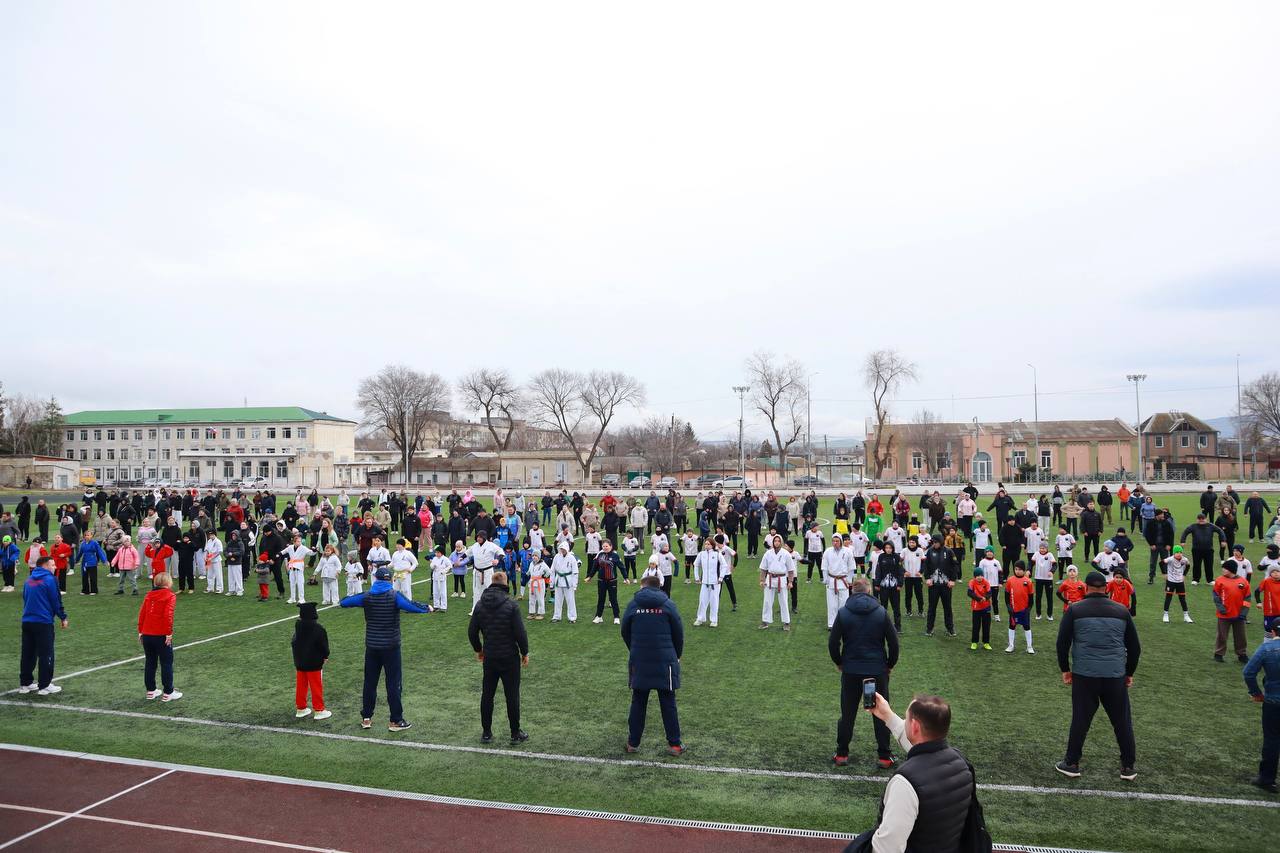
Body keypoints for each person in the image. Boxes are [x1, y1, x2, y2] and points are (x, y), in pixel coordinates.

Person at [848, 693, 980, 853]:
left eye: (907, 719)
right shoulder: (961, 763)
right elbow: (924, 748)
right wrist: (888, 716)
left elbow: (887, 848)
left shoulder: (905, 783)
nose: (904, 722)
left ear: (915, 726)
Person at [1055, 570, 1141, 781]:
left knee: (1080, 720)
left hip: (1085, 675)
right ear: (1106, 588)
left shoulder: (1075, 609)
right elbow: (1135, 648)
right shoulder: (1121, 610)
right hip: (1115, 675)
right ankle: (1128, 766)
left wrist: (1065, 670)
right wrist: (1129, 673)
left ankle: (1071, 763)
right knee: (1122, 721)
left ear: (1086, 588)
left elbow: (1062, 643)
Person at [340, 565, 432, 732]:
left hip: (372, 647)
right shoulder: (394, 595)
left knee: (369, 683)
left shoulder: (367, 596)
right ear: (390, 580)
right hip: (391, 647)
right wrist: (427, 608)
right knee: (393, 684)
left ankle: (366, 718)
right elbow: (411, 606)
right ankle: (395, 720)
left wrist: (354, 597)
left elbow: (345, 602)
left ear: (376, 579)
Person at [829, 577, 900, 768]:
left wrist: (839, 662)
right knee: (880, 713)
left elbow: (833, 642)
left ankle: (842, 754)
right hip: (875, 672)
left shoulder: (844, 612)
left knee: (848, 713)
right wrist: (889, 664)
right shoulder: (881, 612)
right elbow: (894, 643)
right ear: (869, 592)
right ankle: (884, 756)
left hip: (851, 672)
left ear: (852, 591)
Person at [621, 573, 684, 755]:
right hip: (665, 660)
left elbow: (625, 630)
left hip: (640, 659)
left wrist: (634, 649)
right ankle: (675, 745)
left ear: (643, 586)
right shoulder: (668, 604)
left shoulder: (633, 604)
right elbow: (678, 633)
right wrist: (676, 655)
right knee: (668, 702)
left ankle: (633, 743)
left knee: (638, 701)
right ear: (659, 587)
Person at [467, 569, 530, 743]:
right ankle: (515, 733)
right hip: (509, 657)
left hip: (490, 656)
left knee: (487, 695)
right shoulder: (511, 605)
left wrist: (479, 650)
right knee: (512, 696)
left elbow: (472, 632)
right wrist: (524, 652)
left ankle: (486, 733)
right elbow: (520, 633)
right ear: (505, 584)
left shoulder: (480, 604)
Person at [17, 556, 68, 696]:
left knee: (28, 653)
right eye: (53, 565)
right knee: (46, 653)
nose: (55, 567)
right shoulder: (51, 579)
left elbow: (25, 597)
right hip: (43, 622)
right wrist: (63, 617)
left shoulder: (29, 579)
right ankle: (44, 686)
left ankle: (25, 684)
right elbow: (56, 600)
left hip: (27, 621)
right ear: (45, 566)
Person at [1243, 619, 1280, 793]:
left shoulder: (1267, 648)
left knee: (1272, 740)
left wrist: (1256, 693)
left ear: (1272, 632)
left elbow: (1248, 673)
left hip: (1273, 701)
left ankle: (1267, 779)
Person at [137, 572, 181, 702]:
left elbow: (142, 614)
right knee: (166, 663)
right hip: (161, 634)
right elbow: (168, 615)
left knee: (150, 662)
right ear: (168, 582)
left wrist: (140, 631)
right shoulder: (170, 595)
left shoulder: (149, 595)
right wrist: (168, 633)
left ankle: (151, 690)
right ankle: (168, 692)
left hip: (147, 634)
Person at [290, 601, 331, 720]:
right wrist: (325, 656)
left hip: (299, 661)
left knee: (301, 685)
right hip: (314, 662)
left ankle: (301, 708)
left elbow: (293, 642)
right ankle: (319, 710)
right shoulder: (318, 628)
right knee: (316, 686)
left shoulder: (298, 626)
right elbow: (324, 645)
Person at [1213, 560, 1252, 664]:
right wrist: (1221, 608)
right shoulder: (1219, 580)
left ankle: (1242, 654)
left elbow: (1247, 598)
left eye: (1225, 568)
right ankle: (1219, 654)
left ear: (1231, 570)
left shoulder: (1243, 582)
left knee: (1241, 636)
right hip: (1224, 614)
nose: (1223, 570)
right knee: (1222, 635)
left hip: (1239, 615)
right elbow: (1216, 596)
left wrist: (1244, 613)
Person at [923, 539, 959, 638]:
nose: (934, 544)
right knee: (932, 608)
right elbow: (926, 565)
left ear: (941, 542)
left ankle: (950, 628)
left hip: (946, 585)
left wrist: (952, 580)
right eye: (933, 542)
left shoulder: (949, 551)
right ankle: (929, 628)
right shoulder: (930, 551)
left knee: (947, 607)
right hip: (933, 585)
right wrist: (927, 578)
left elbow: (955, 565)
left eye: (936, 542)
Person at [691, 537, 729, 628]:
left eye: (708, 544)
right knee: (702, 601)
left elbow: (724, 565)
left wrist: (721, 578)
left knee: (714, 602)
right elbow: (696, 565)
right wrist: (697, 577)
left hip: (715, 583)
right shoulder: (701, 554)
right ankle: (700, 619)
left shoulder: (717, 554)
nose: (706, 545)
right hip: (704, 583)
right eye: (705, 544)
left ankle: (714, 620)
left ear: (712, 545)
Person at [759, 534, 794, 631]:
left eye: (778, 541)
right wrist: (762, 580)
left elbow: (791, 570)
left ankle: (786, 622)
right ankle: (765, 621)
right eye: (775, 541)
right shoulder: (768, 553)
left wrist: (790, 582)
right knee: (767, 601)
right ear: (773, 542)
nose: (777, 542)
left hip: (781, 579)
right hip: (770, 578)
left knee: (783, 601)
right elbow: (763, 568)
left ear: (781, 542)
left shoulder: (786, 554)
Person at [587, 539, 624, 625]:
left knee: (613, 599)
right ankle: (599, 616)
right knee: (601, 599)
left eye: (606, 546)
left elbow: (621, 567)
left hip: (612, 581)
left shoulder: (615, 555)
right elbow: (595, 567)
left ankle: (616, 617)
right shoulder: (600, 555)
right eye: (603, 546)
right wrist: (590, 576)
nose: (605, 548)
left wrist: (625, 578)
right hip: (601, 581)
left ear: (611, 546)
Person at [822, 533, 854, 628]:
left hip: (843, 580)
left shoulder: (848, 551)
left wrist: (849, 580)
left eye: (837, 541)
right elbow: (824, 566)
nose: (835, 543)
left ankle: (843, 623)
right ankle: (831, 624)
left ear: (841, 541)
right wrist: (826, 579)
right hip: (832, 580)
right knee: (832, 604)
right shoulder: (828, 551)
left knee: (843, 604)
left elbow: (851, 566)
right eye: (833, 541)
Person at [1004, 560, 1035, 654]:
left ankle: (1029, 646)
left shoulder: (1028, 581)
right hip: (1013, 610)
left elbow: (1031, 598)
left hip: (1024, 610)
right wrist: (1009, 607)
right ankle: (1011, 645)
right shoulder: (1010, 580)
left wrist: (1028, 609)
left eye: (1020, 569)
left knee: (1027, 627)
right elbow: (1006, 596)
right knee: (1012, 626)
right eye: (1016, 569)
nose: (1017, 571)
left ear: (1024, 570)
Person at [550, 541, 579, 623]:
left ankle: (572, 617)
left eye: (564, 549)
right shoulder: (556, 556)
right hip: (558, 580)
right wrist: (551, 583)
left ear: (567, 549)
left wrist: (574, 584)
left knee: (570, 600)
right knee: (557, 600)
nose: (562, 550)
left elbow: (575, 572)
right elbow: (552, 570)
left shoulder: (571, 558)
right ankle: (556, 616)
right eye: (561, 549)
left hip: (568, 581)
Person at [1162, 545, 1193, 623]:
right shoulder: (1170, 559)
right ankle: (1165, 615)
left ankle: (1186, 616)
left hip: (1180, 582)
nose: (1179, 554)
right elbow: (1161, 563)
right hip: (1170, 581)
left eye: (1180, 552)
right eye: (1177, 552)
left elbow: (1188, 565)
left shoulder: (1184, 559)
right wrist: (1164, 573)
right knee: (1168, 598)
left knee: (1182, 599)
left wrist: (1184, 575)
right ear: (1174, 553)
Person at [967, 566, 993, 651]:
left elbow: (989, 593)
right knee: (976, 626)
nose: (980, 577)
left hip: (986, 607)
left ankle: (986, 643)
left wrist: (985, 598)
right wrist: (978, 599)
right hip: (976, 608)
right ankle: (974, 642)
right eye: (978, 575)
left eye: (981, 575)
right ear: (975, 576)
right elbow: (969, 593)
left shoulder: (986, 582)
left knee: (986, 626)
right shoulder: (972, 582)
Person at [77, 532, 108, 596]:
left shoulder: (95, 543)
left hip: (92, 562)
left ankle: (94, 590)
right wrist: (76, 560)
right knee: (84, 577)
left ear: (91, 536)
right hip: (84, 562)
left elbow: (100, 551)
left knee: (93, 577)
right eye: (85, 535)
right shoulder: (82, 544)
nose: (87, 536)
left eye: (88, 535)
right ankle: (85, 590)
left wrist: (104, 561)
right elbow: (80, 553)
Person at [429, 545, 452, 611]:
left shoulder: (445, 559)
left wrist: (444, 571)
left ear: (442, 552)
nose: (436, 554)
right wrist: (433, 566)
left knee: (442, 592)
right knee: (435, 592)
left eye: (438, 552)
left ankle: (443, 607)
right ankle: (436, 605)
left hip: (442, 577)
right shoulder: (434, 558)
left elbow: (450, 566)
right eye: (436, 552)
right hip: (435, 577)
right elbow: (431, 566)